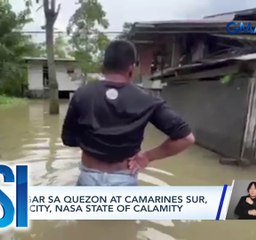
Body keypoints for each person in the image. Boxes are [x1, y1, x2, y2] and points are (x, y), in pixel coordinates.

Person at [61, 40, 195, 186]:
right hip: (125, 179)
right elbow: (186, 138)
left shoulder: (82, 94)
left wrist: (92, 143)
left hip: (88, 178)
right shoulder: (147, 99)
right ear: (132, 69)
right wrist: (147, 157)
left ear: (103, 67)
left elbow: (68, 139)